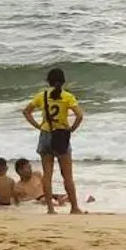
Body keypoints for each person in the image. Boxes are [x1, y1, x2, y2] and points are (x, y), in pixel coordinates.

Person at [21, 67, 84, 215]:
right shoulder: (67, 97)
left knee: (47, 174)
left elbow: (26, 111)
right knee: (67, 175)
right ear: (63, 82)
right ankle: (74, 207)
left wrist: (38, 126)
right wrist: (71, 129)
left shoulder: (41, 96)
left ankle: (50, 208)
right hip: (61, 136)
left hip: (46, 135)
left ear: (48, 81)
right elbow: (79, 115)